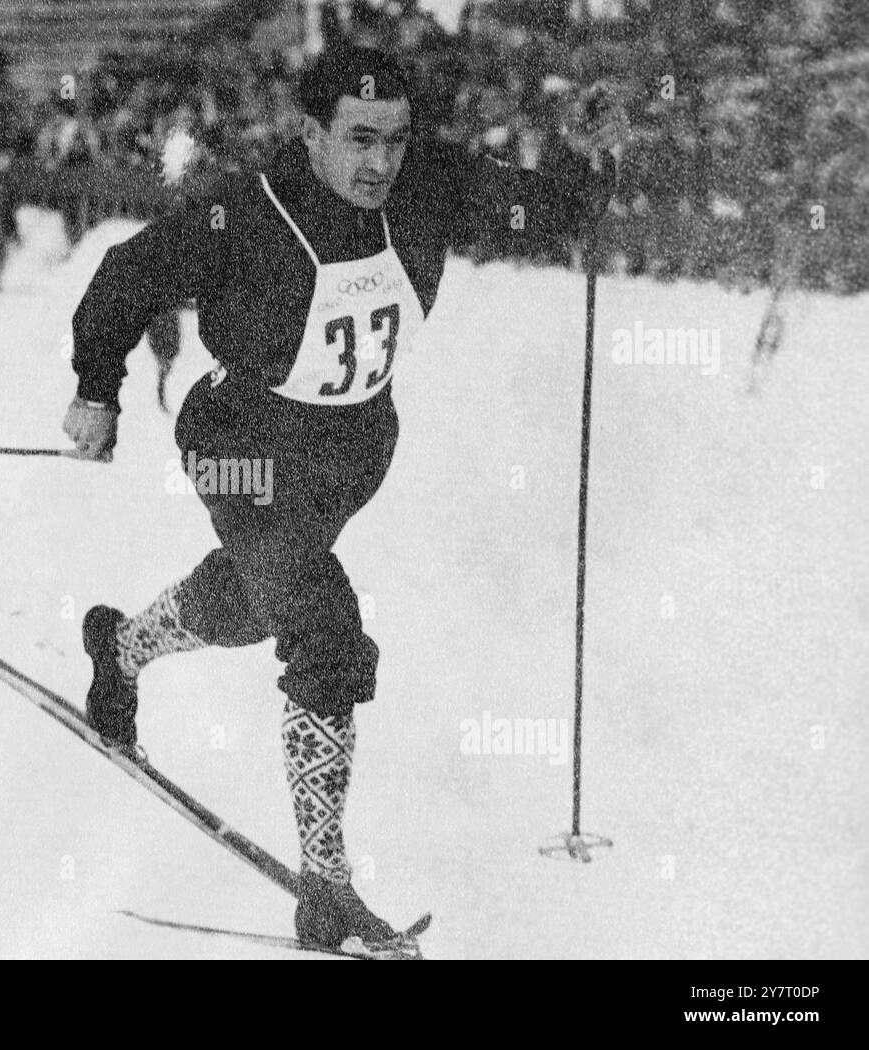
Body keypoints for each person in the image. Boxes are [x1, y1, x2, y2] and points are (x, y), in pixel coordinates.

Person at [62, 45, 627, 953]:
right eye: (358, 139)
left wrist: (590, 157)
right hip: (238, 447)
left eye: (397, 140)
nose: (379, 163)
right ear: (311, 132)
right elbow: (127, 276)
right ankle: (325, 884)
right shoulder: (244, 211)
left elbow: (553, 211)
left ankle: (119, 651)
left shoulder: (432, 183)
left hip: (351, 451)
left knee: (256, 599)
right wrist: (96, 393)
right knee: (322, 624)